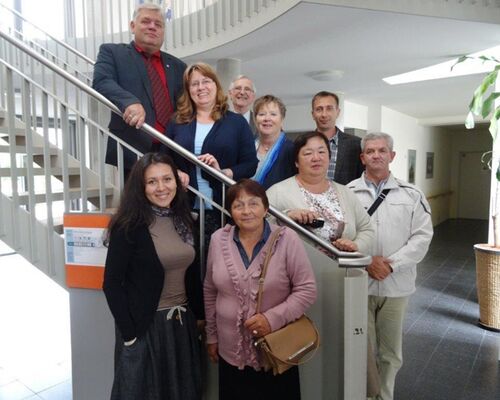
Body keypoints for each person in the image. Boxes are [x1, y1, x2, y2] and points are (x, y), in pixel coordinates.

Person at [102, 153, 204, 400]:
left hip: (181, 325)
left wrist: (199, 317)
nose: (161, 187)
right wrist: (129, 335)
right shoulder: (128, 225)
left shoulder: (185, 221)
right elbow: (112, 283)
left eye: (167, 179)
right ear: (141, 187)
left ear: (177, 182)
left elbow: (192, 274)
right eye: (152, 181)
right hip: (146, 326)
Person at [204, 179, 317, 400]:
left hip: (276, 352)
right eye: (238, 205)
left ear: (266, 209)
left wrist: (271, 319)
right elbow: (210, 290)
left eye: (253, 203)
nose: (246, 211)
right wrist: (211, 336)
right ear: (231, 212)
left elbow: (307, 289)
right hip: (230, 353)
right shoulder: (218, 239)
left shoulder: (287, 239)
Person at [347, 132, 433, 400]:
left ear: (392, 156)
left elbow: (422, 237)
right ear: (362, 157)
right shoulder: (347, 193)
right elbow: (341, 236)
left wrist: (391, 265)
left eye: (382, 150)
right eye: (370, 151)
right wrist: (367, 262)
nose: (376, 155)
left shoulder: (412, 194)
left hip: (396, 285)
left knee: (390, 352)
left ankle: (384, 396)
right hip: (359, 283)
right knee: (360, 349)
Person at [93, 3, 186, 173]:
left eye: (158, 24)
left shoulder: (178, 66)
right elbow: (102, 81)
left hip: (172, 152)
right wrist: (129, 102)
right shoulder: (112, 52)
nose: (152, 27)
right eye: (146, 21)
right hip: (133, 149)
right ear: (132, 26)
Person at [167, 62, 258, 237]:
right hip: (184, 206)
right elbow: (164, 157)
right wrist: (176, 172)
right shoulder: (176, 122)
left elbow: (250, 164)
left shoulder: (236, 122)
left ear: (216, 85)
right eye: (194, 84)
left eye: (206, 81)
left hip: (224, 206)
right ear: (188, 90)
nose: (201, 87)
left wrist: (224, 172)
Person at [266, 131, 373, 254]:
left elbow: (366, 229)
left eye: (321, 152)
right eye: (308, 153)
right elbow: (257, 227)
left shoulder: (346, 192)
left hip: (343, 265)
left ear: (329, 157)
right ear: (296, 162)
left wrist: (355, 245)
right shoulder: (278, 192)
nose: (316, 158)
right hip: (296, 265)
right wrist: (286, 216)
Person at [311, 91, 364, 184]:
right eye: (319, 109)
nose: (324, 114)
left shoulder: (356, 144)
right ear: (313, 114)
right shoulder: (302, 145)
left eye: (329, 108)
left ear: (338, 112)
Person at [252, 94, 296, 189]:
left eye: (273, 114)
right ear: (255, 119)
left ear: (282, 119)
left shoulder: (292, 150)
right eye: (262, 114)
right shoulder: (247, 147)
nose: (267, 119)